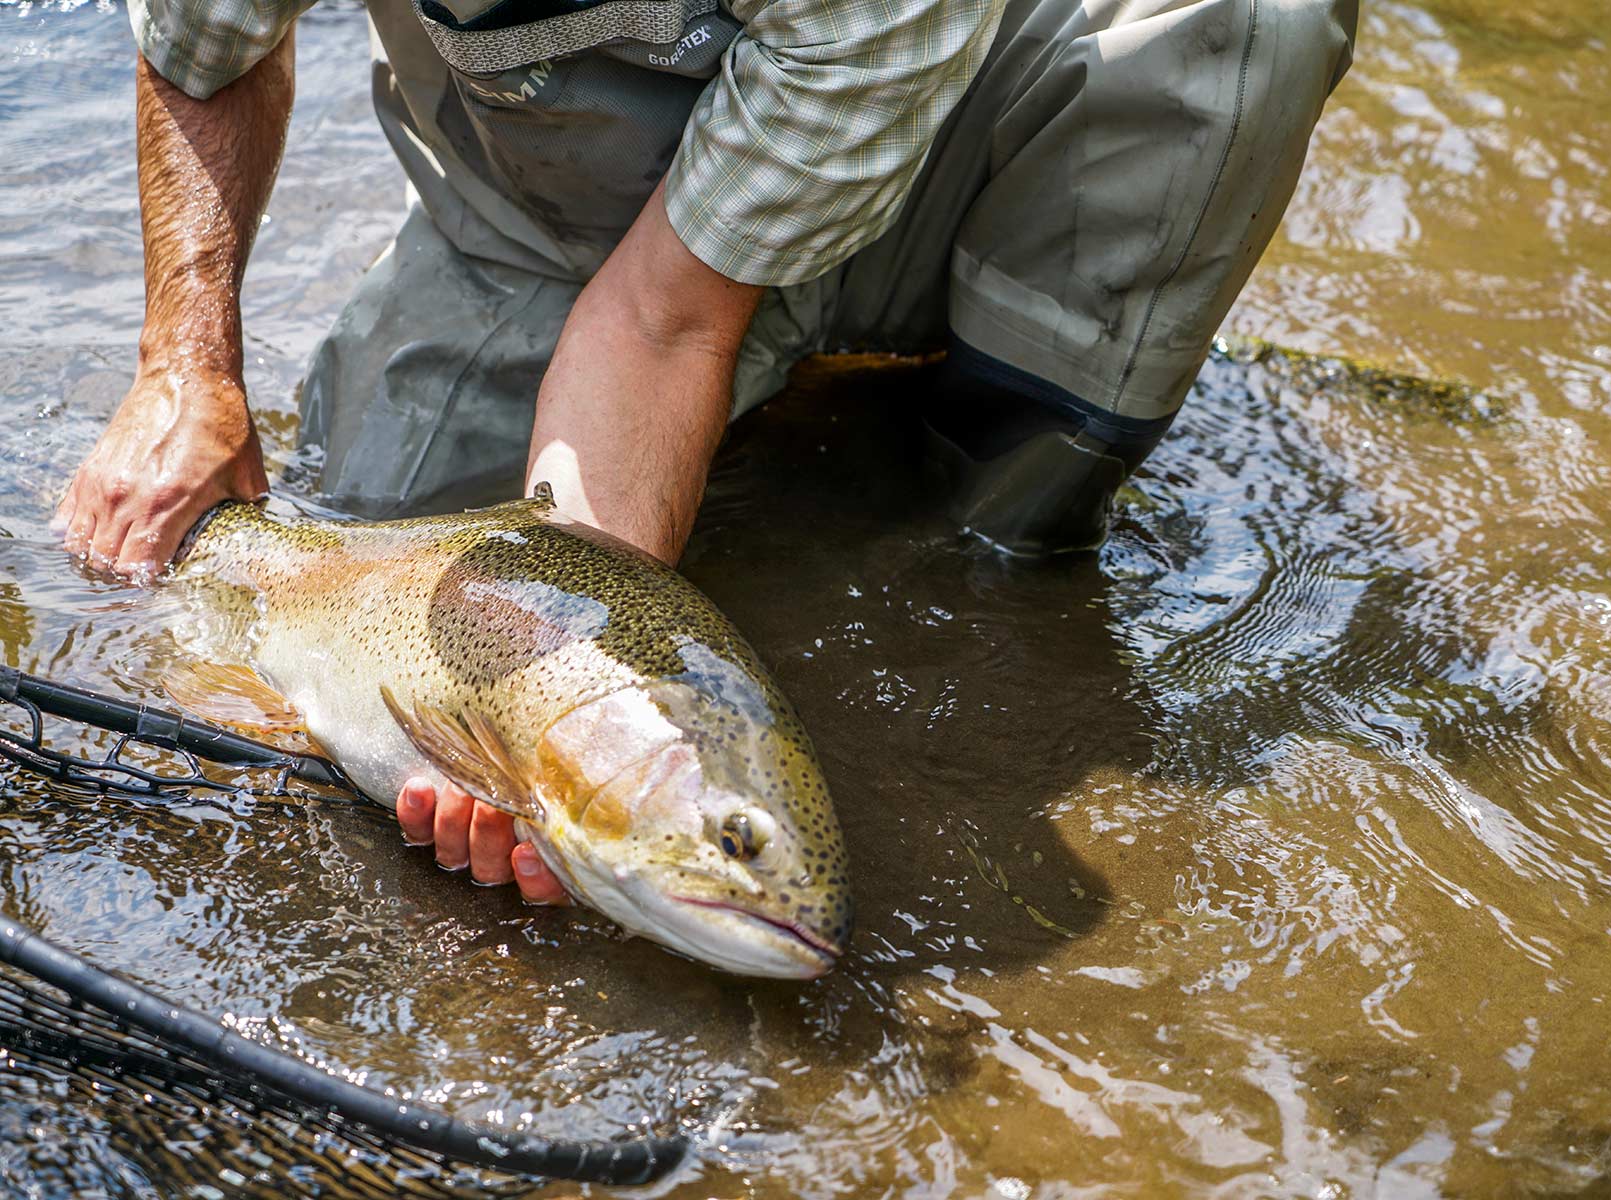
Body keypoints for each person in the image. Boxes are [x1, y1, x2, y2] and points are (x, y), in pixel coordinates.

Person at [57, 0, 1356, 906]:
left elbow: (673, 315)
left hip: (925, 132)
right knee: (298, 638)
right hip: (544, 225)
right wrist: (188, 369)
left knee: (1249, 17)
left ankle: (990, 513)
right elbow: (205, 44)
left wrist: (569, 678)